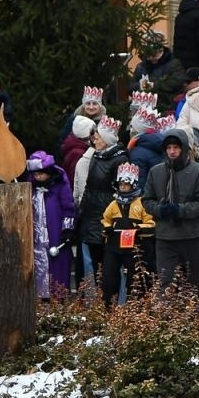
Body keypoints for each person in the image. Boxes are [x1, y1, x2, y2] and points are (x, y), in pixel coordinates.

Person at [143, 127, 199, 303]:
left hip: (193, 236)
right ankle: (166, 317)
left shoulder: (198, 171)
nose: (172, 151)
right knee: (166, 283)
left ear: (184, 148)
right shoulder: (156, 172)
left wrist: (179, 210)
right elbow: (147, 200)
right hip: (166, 236)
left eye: (176, 147)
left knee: (197, 284)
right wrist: (160, 209)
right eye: (168, 148)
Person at [75, 116, 126, 292]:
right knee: (95, 268)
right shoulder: (96, 156)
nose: (94, 140)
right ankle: (100, 304)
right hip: (91, 219)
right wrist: (81, 213)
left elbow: (121, 193)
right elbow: (89, 188)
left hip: (107, 220)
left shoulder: (120, 160)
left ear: (107, 139)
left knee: (109, 270)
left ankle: (112, 303)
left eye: (97, 137)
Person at [101, 162, 156, 305]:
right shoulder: (113, 204)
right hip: (114, 246)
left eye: (126, 184)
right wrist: (107, 228)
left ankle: (136, 309)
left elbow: (151, 224)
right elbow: (105, 220)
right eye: (121, 184)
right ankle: (108, 308)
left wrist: (139, 229)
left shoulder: (141, 203)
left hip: (135, 247)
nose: (123, 187)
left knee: (135, 280)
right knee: (109, 279)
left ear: (133, 185)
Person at [27, 153, 75, 300]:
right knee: (38, 266)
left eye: (40, 173)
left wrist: (68, 229)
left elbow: (68, 208)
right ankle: (40, 299)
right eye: (35, 174)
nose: (37, 177)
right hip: (36, 238)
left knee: (58, 267)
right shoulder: (30, 187)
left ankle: (58, 299)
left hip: (56, 235)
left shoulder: (60, 185)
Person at [132, 31, 185, 106]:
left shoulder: (173, 63)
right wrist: (143, 85)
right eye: (149, 55)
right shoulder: (141, 67)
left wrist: (153, 85)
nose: (152, 59)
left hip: (168, 104)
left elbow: (177, 83)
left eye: (154, 55)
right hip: (144, 105)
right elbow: (130, 87)